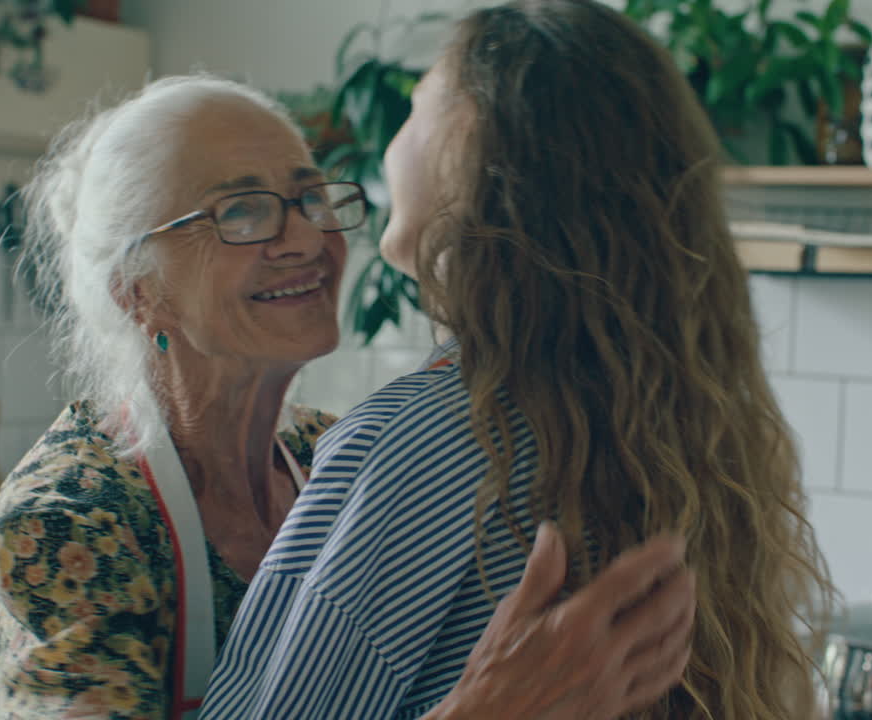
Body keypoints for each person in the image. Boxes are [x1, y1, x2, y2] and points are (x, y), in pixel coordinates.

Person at [0, 73, 696, 719]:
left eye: (310, 197)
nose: (306, 237)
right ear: (141, 294)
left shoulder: (337, 457)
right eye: (241, 211)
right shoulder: (70, 516)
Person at [201, 1, 834, 719]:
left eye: (415, 108)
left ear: (472, 140)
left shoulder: (418, 443)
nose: (388, 147)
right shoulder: (684, 434)